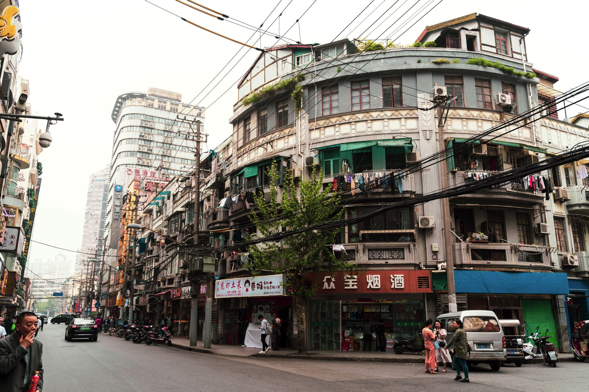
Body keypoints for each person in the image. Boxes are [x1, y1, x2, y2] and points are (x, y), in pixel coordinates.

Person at [0, 311, 44, 392]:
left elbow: (39, 369)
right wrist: (22, 347)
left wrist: (38, 387)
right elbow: (3, 368)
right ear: (18, 327)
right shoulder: (4, 343)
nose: (33, 327)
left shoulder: (37, 345)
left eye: (35, 324)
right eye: (29, 324)